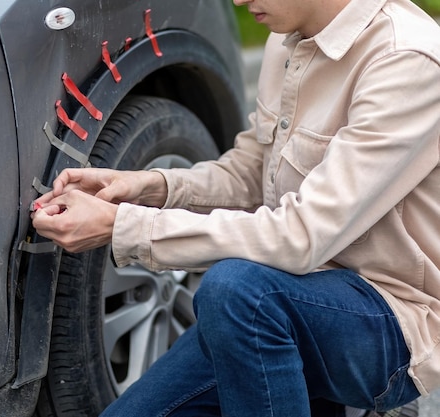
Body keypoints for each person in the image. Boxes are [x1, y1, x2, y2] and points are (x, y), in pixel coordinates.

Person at [32, 0, 440, 415]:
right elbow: (251, 173)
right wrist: (145, 186)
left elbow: (300, 237)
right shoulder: (286, 40)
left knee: (235, 290)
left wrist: (125, 226)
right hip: (283, 298)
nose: (239, 2)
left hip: (393, 320)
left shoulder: (405, 61)